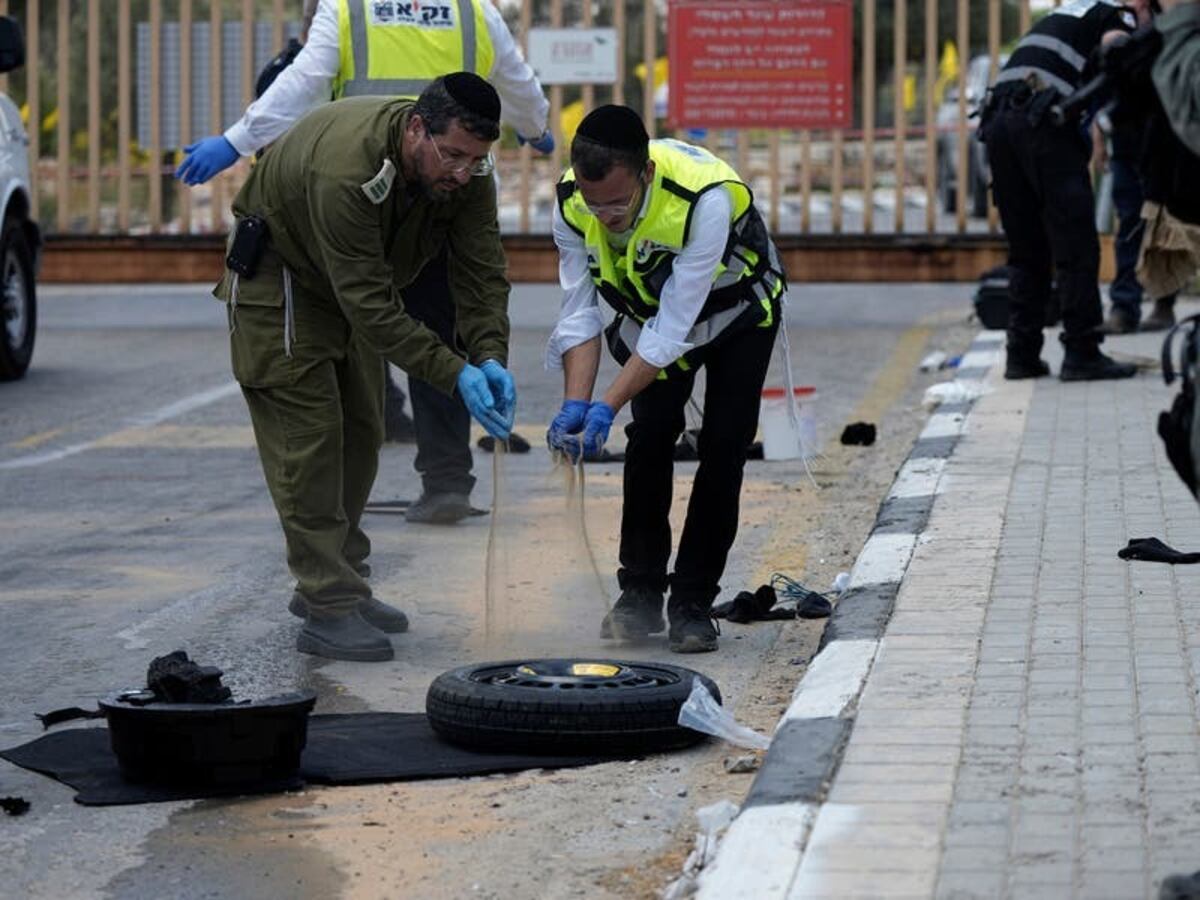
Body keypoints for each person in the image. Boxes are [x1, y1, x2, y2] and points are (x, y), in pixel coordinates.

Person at [178, 0, 551, 525]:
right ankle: (444, 478)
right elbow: (516, 77)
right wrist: (536, 127)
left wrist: (239, 139)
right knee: (428, 334)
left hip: (392, 197)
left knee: (386, 339)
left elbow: (305, 79)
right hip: (371, 198)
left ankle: (387, 466)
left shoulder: (348, 8)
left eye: (474, 160)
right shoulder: (473, 11)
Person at [215, 73, 515, 662]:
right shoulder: (346, 172)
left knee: (363, 429)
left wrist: (489, 354)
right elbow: (373, 307)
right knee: (311, 438)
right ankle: (327, 602)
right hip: (283, 280)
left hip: (346, 284)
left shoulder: (470, 173)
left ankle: (342, 579)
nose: (460, 172)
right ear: (416, 129)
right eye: (451, 155)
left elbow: (481, 271)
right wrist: (453, 373)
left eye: (474, 159)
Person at [545, 106, 786, 654]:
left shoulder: (706, 200)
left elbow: (674, 329)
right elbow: (579, 311)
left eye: (618, 202)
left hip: (735, 315)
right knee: (650, 435)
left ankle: (693, 601)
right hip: (650, 311)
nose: (605, 216)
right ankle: (640, 592)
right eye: (594, 201)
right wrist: (575, 405)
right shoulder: (569, 202)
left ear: (646, 175)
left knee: (724, 445)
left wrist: (607, 403)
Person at [981, 0, 1149, 382]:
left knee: (1027, 250)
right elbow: (1116, 43)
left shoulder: (1067, 11)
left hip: (999, 123)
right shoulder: (1117, 14)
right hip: (1042, 124)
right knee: (1076, 246)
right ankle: (1082, 353)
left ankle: (1021, 356)